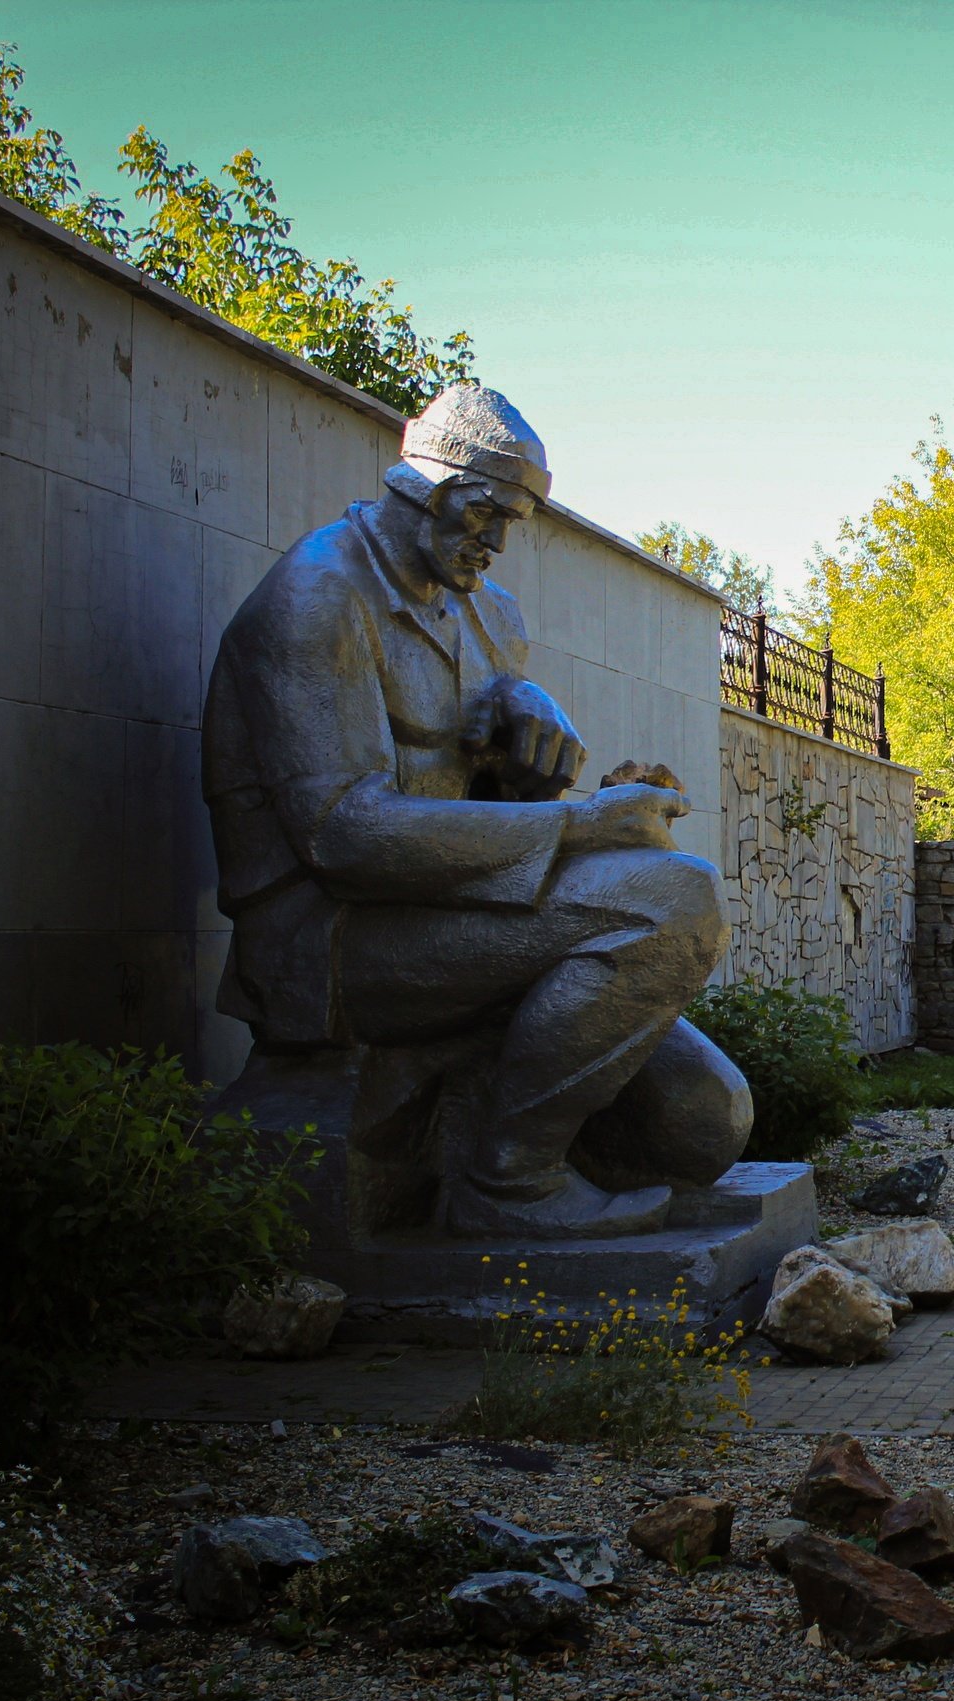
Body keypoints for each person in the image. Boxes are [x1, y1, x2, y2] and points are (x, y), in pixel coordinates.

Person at [204, 383, 750, 1238]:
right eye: (483, 511)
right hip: (332, 943)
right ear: (419, 484)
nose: (495, 541)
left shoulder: (488, 613)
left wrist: (532, 754)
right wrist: (586, 825)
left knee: (704, 1119)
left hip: (451, 915)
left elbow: (478, 808)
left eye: (513, 521)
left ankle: (482, 1099)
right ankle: (508, 1184)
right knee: (679, 898)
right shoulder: (316, 598)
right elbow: (344, 835)